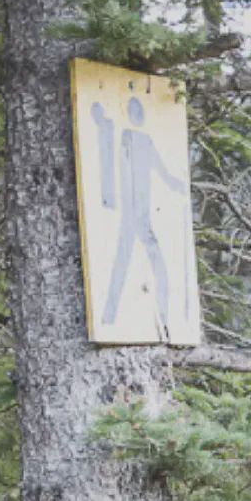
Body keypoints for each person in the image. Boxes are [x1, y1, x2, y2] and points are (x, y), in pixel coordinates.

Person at [93, 95, 187, 334]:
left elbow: (160, 168)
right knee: (122, 262)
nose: (138, 113)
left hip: (144, 213)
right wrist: (109, 198)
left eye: (140, 108)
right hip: (130, 211)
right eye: (133, 108)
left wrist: (172, 182)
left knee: (154, 263)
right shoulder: (123, 136)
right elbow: (108, 164)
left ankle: (165, 316)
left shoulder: (146, 139)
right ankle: (109, 316)